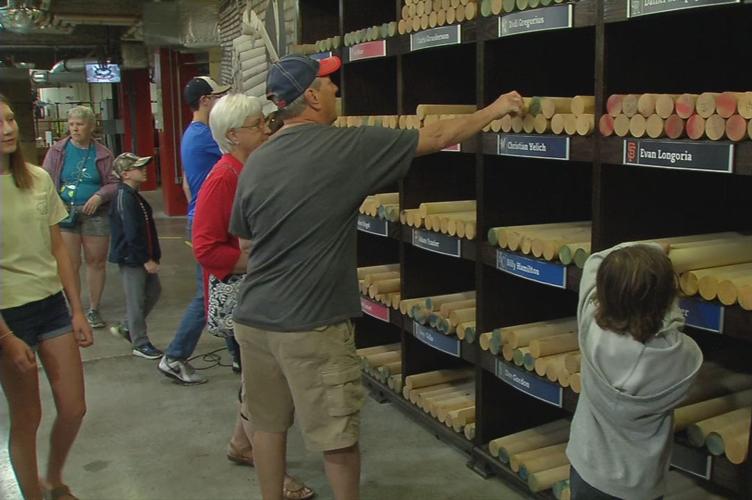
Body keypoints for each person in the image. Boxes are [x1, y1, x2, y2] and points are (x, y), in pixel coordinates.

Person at [229, 54, 523, 500]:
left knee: (267, 425)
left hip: (253, 320)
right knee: (337, 434)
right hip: (311, 323)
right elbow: (437, 135)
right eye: (329, 84)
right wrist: (496, 108)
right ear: (310, 96)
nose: (337, 91)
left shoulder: (257, 159)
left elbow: (246, 247)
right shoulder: (344, 146)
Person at [193, 93, 314, 500]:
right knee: (265, 392)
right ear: (232, 134)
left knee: (255, 383)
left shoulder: (251, 167)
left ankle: (242, 445)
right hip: (243, 296)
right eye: (258, 125)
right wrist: (259, 258)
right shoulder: (225, 177)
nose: (267, 129)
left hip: (260, 291)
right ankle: (270, 473)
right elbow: (206, 248)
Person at [0, 94, 93, 500]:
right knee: (27, 417)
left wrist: (78, 310)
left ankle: (54, 479)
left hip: (51, 304)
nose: (6, 129)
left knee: (73, 408)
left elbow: (58, 249)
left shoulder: (37, 178)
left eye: (8, 119)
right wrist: (5, 336)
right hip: (8, 315)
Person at [567, 243, 703, 500]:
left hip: (587, 470)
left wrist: (649, 248)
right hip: (641, 486)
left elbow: (596, 260)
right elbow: (674, 326)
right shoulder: (682, 357)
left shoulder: (592, 329)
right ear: (666, 299)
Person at [158, 76, 231, 384]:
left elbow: (188, 184)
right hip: (208, 222)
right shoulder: (205, 137)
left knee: (223, 289)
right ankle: (174, 356)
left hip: (202, 218)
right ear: (205, 101)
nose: (221, 103)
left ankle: (240, 357)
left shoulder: (192, 134)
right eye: (218, 97)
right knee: (208, 296)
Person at [42, 105, 118, 329]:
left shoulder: (103, 153)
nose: (74, 129)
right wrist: (56, 203)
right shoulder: (57, 151)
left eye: (80, 124)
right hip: (65, 214)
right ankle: (73, 307)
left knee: (96, 262)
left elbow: (114, 183)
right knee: (70, 263)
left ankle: (94, 309)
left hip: (95, 214)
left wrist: (99, 196)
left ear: (91, 127)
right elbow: (45, 180)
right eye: (72, 124)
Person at [107, 153, 164, 360]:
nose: (144, 170)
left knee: (153, 291)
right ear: (125, 173)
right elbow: (131, 232)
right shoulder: (124, 197)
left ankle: (127, 326)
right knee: (136, 300)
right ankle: (139, 342)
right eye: (139, 168)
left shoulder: (133, 196)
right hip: (132, 259)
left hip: (140, 256)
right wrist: (144, 258)